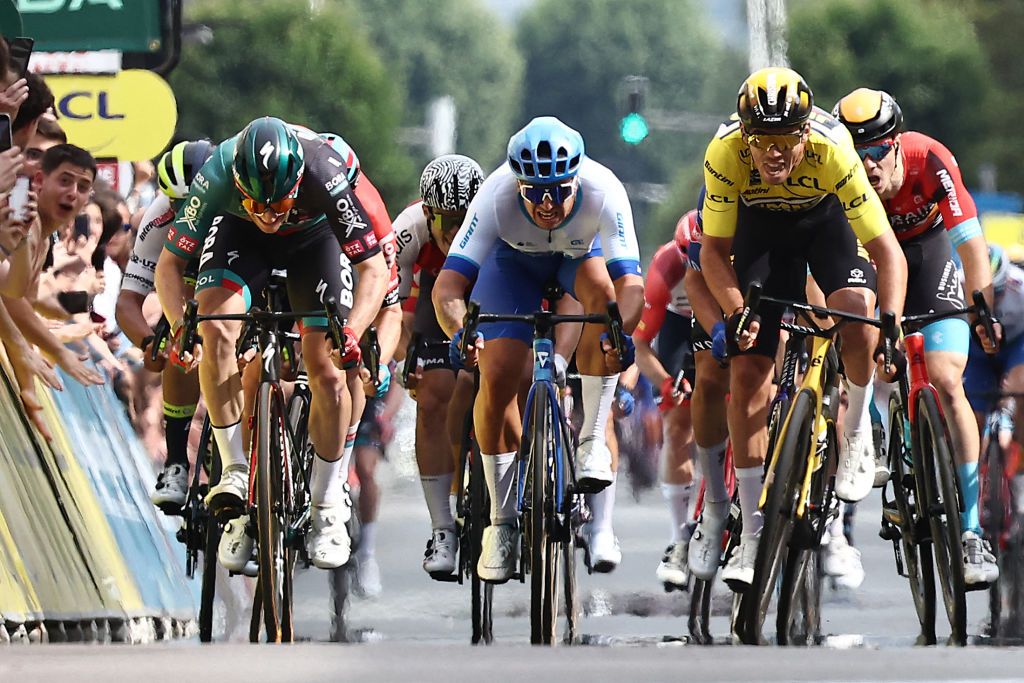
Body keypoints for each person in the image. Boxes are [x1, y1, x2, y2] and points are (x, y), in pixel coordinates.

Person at [698, 68, 908, 590]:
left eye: (785, 140)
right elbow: (712, 253)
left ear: (805, 133)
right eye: (761, 141)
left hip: (825, 225)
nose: (773, 153)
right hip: (760, 232)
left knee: (858, 314)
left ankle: (856, 431)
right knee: (747, 375)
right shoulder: (724, 153)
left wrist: (891, 320)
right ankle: (750, 535)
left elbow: (887, 252)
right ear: (745, 136)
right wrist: (735, 312)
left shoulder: (834, 147)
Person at [155, 117, 389, 572]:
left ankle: (325, 508)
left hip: (315, 241)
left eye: (279, 202)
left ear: (298, 183)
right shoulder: (220, 172)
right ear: (238, 184)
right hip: (238, 237)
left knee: (326, 368)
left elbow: (374, 271)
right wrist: (178, 325)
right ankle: (236, 473)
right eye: (256, 202)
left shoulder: (325, 171)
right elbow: (169, 266)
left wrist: (355, 333)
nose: (268, 214)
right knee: (215, 326)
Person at [432, 116, 644, 583]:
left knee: (604, 313)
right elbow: (449, 286)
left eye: (558, 191)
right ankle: (502, 524)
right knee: (499, 371)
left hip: (577, 260)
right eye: (534, 192)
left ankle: (590, 442)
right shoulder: (494, 195)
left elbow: (630, 285)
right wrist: (458, 331)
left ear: (576, 180)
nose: (547, 203)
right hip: (512, 266)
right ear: (518, 185)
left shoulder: (604, 188)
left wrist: (619, 331)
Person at [834, 87, 998, 586]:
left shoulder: (931, 160)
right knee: (872, 346)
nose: (869, 166)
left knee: (949, 383)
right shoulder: (840, 176)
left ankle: (971, 534)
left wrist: (983, 309)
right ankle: (880, 430)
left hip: (929, 255)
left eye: (878, 151)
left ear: (897, 143)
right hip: (872, 256)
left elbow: (971, 245)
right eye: (857, 155)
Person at [393, 154, 484, 580]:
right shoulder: (408, 230)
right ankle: (442, 527)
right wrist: (400, 359)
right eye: (447, 219)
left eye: (465, 218)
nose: (455, 229)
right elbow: (394, 309)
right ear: (428, 212)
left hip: (485, 286)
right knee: (432, 398)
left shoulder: (495, 220)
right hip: (432, 292)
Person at [116, 140, 214, 510]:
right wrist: (147, 343)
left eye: (192, 206)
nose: (183, 214)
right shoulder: (159, 215)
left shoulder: (236, 209)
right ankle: (176, 462)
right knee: (180, 342)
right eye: (176, 205)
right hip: (184, 277)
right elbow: (127, 302)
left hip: (232, 264)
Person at [633, 209, 699, 588]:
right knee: (677, 425)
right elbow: (641, 345)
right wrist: (665, 383)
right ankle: (678, 538)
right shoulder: (664, 267)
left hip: (722, 314)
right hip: (678, 323)